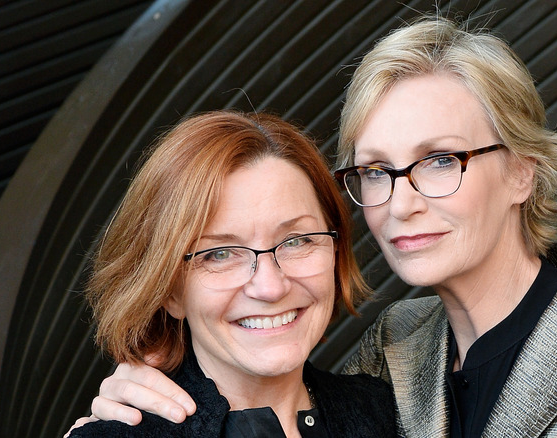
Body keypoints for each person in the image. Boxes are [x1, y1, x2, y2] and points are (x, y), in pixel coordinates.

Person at [72, 18, 557, 437]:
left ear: (521, 173)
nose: (402, 201)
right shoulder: (392, 354)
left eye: (441, 160)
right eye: (377, 170)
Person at [67, 110, 397, 437]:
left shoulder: (386, 411)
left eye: (296, 241)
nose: (269, 287)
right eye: (220, 254)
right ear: (169, 290)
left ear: (335, 249)